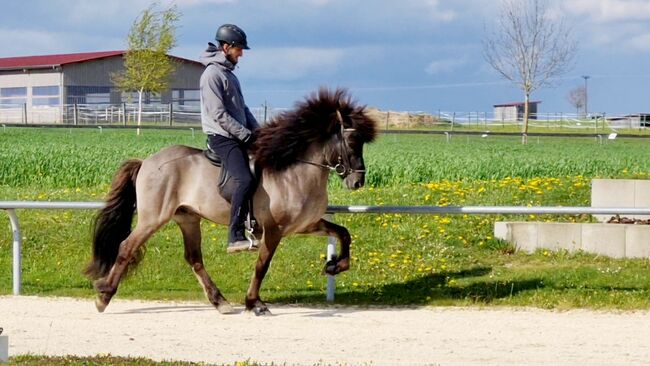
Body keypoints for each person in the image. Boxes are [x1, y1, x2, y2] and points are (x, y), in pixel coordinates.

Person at [200, 24, 260, 253]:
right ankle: (235, 235)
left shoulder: (228, 74)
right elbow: (219, 114)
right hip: (222, 137)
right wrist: (245, 135)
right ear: (226, 47)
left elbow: (242, 109)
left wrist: (259, 132)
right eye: (238, 49)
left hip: (238, 134)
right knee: (244, 180)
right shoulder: (212, 75)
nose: (241, 53)